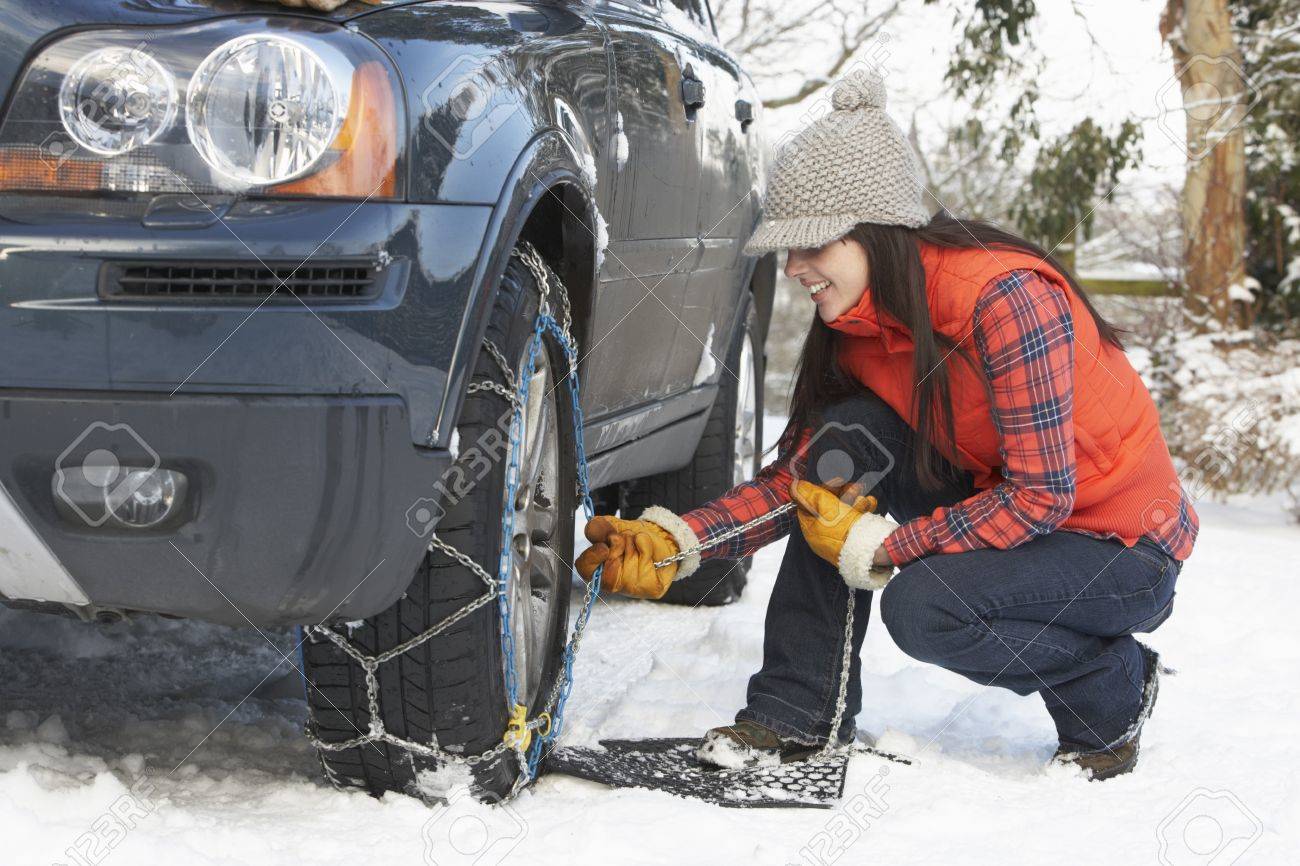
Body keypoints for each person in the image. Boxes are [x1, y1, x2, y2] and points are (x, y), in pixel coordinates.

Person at [574, 68, 1196, 781]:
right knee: (845, 447)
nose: (795, 267)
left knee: (926, 608)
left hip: (1120, 549)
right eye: (788, 247)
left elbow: (1041, 495)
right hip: (1011, 519)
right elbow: (800, 486)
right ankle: (799, 713)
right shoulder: (858, 331)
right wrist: (680, 541)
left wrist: (887, 545)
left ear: (877, 233)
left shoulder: (1005, 299)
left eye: (813, 245)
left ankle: (1110, 686)